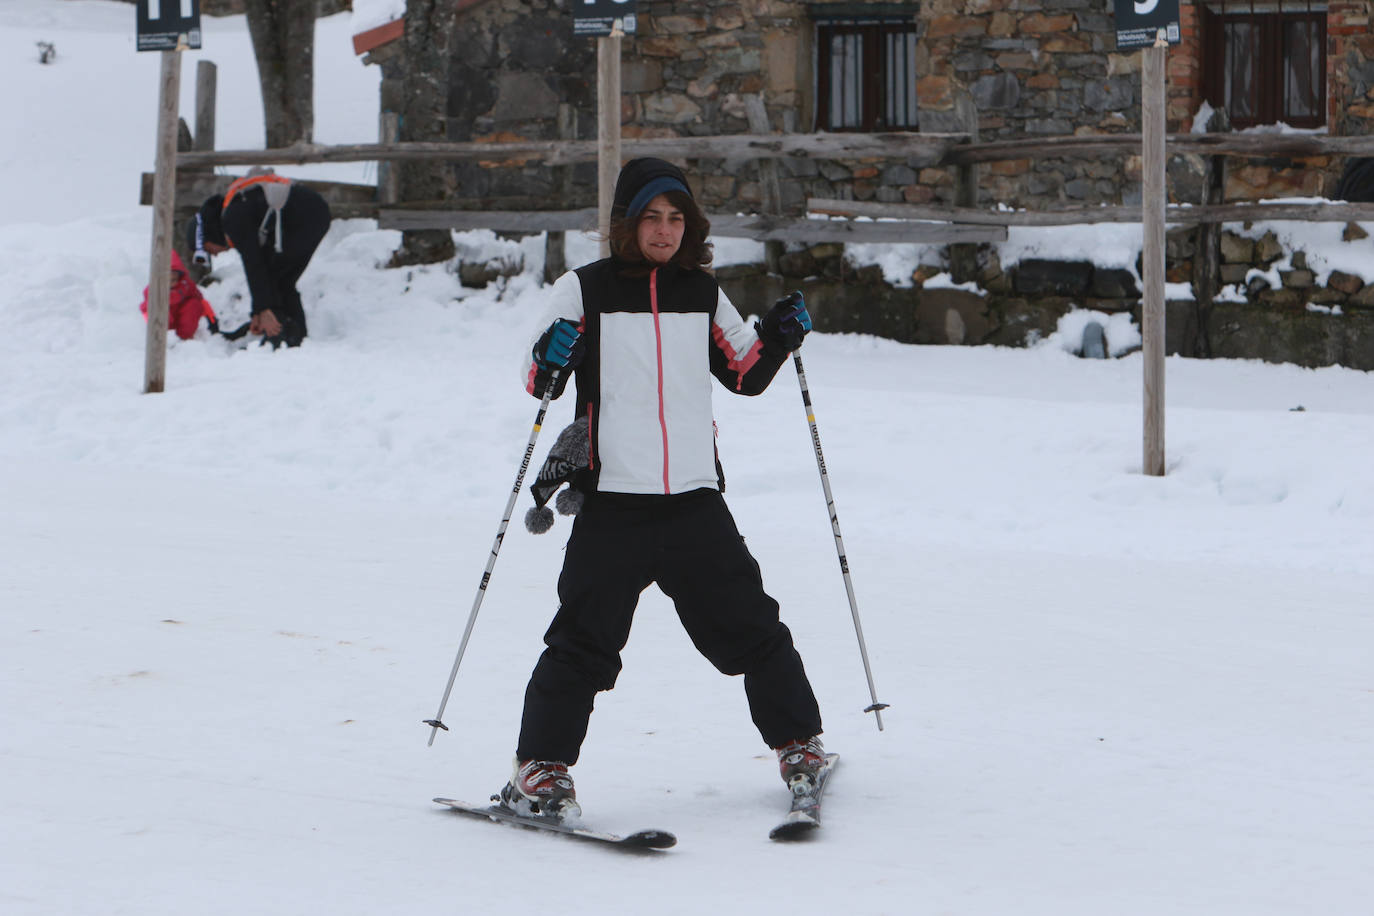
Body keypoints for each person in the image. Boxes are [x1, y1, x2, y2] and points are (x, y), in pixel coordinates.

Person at [501, 157, 825, 820]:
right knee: (581, 643)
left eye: (677, 217)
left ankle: (800, 746)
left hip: (693, 501)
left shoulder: (701, 292)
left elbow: (744, 371)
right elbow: (540, 380)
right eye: (652, 216)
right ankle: (540, 770)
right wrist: (554, 353)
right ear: (627, 222)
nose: (665, 229)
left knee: (755, 629)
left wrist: (779, 338)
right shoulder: (584, 289)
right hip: (615, 499)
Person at [186, 173, 331, 348]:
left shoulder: (233, 218)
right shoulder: (234, 211)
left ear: (207, 235)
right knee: (281, 281)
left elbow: (254, 264)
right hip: (311, 213)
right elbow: (259, 263)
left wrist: (263, 310)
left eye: (208, 250)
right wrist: (257, 312)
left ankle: (280, 337)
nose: (214, 255)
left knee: (276, 279)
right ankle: (295, 336)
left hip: (305, 217)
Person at [139, 250, 218, 340]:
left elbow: (200, 300)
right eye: (167, 280)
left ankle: (184, 337)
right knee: (156, 309)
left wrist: (212, 319)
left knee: (194, 305)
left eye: (173, 280)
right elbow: (146, 309)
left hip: (182, 320)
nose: (170, 284)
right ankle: (164, 337)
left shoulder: (186, 286)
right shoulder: (153, 290)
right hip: (164, 323)